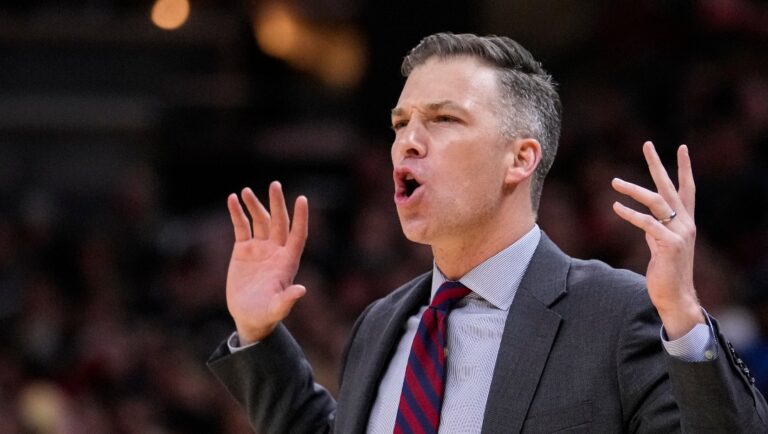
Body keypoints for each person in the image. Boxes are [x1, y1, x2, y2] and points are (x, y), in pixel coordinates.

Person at [208, 33, 768, 433]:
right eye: (400, 124)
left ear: (520, 159)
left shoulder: (620, 314)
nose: (407, 140)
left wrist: (686, 319)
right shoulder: (378, 325)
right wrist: (258, 336)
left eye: (444, 119)